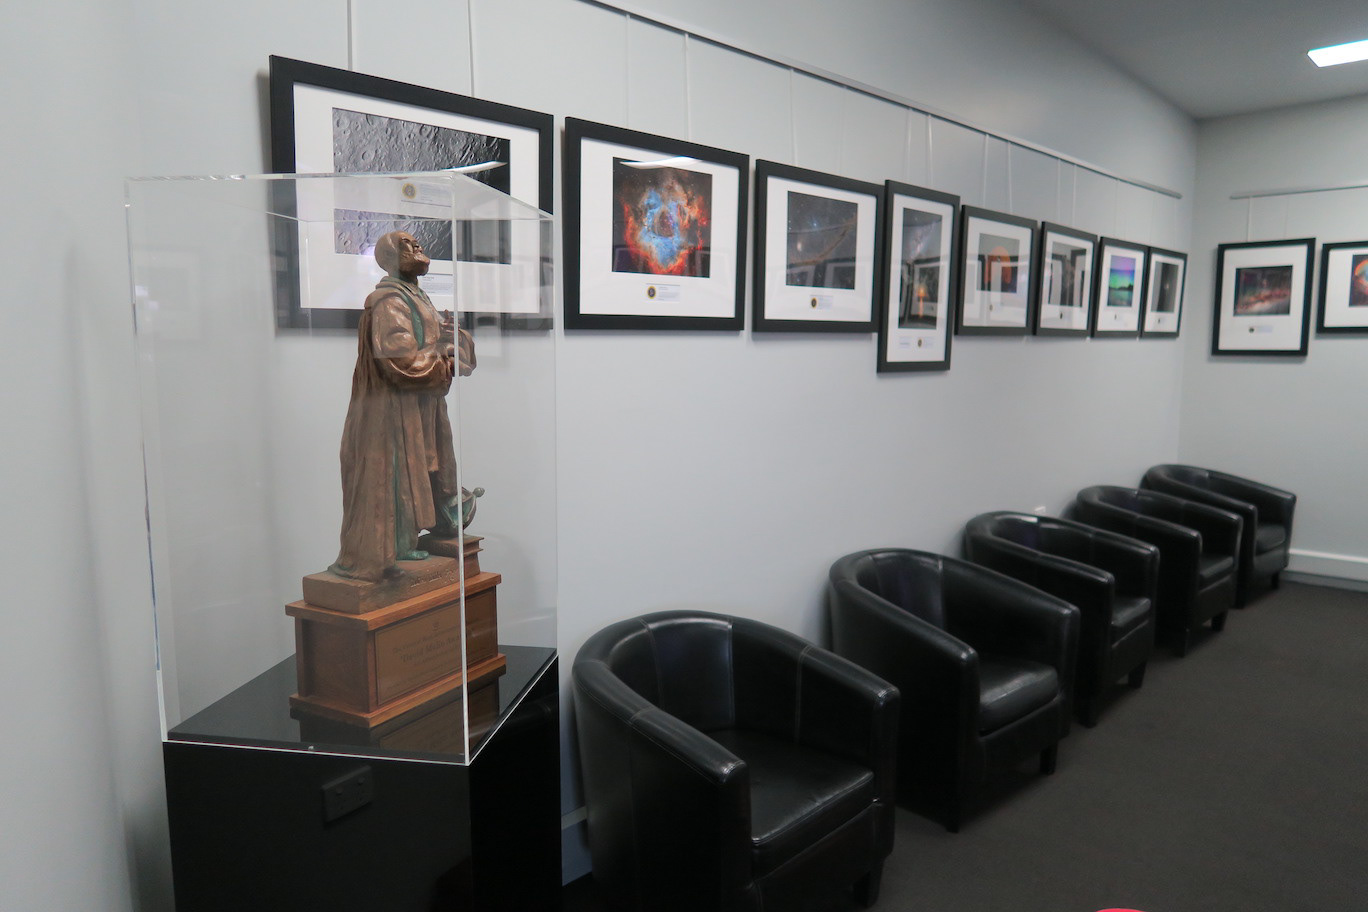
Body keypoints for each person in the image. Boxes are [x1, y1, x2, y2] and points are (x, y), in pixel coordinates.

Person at [329, 230, 475, 582]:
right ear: (391, 256)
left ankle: (405, 540)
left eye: (417, 242)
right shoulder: (388, 302)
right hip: (393, 410)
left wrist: (452, 340)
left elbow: (443, 342)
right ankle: (386, 549)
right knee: (392, 476)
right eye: (409, 245)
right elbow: (399, 361)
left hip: (421, 407)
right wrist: (443, 353)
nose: (419, 248)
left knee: (421, 472)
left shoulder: (415, 296)